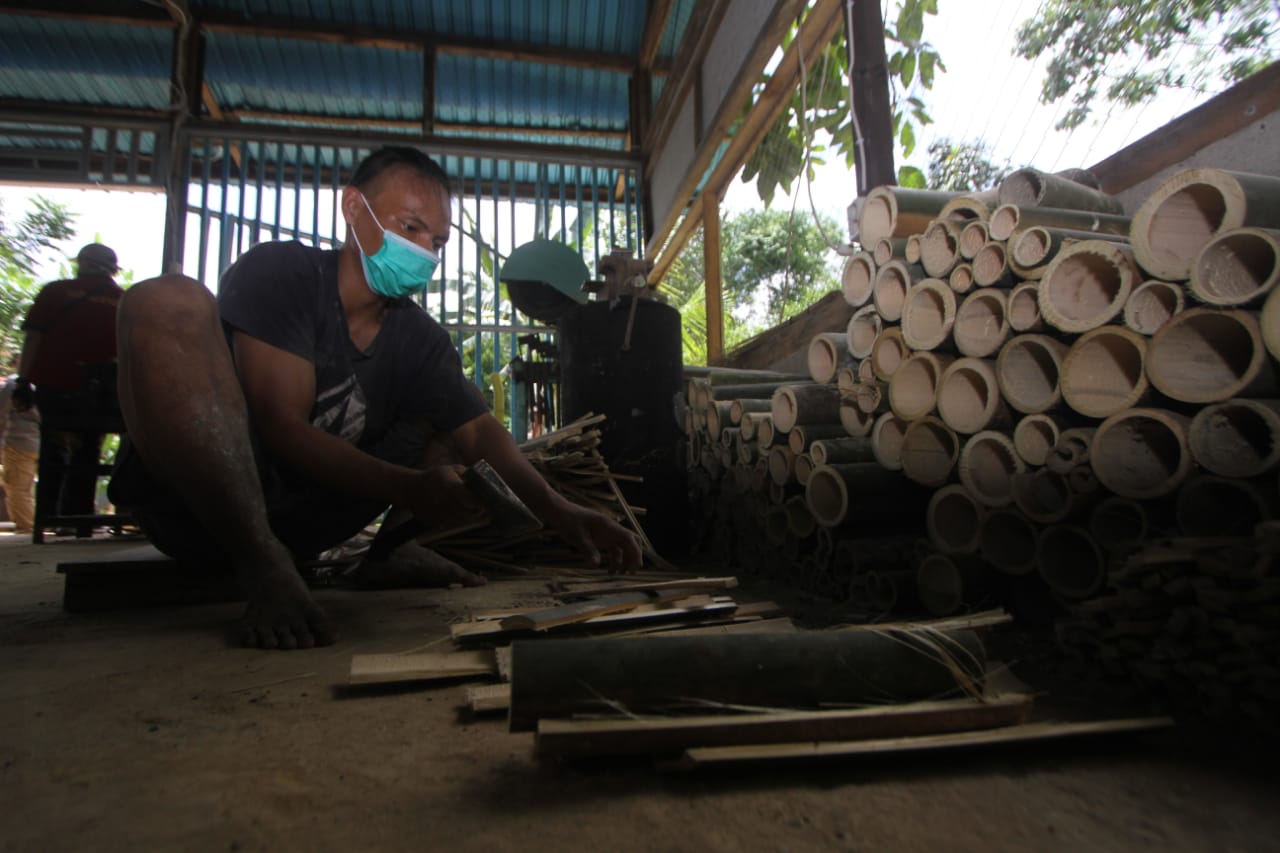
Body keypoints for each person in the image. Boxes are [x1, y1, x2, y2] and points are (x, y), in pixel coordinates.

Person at [108, 145, 642, 650]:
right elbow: (281, 425)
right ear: (353, 208)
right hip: (199, 513)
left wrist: (561, 510)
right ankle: (261, 564)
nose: (422, 251)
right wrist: (409, 488)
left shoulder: (421, 340)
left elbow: (478, 432)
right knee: (165, 300)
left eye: (436, 242)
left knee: (453, 416)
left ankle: (390, 554)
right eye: (410, 228)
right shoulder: (283, 275)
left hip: (303, 528)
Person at [16, 243, 124, 532]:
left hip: (55, 384)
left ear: (82, 264)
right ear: (113, 270)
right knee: (89, 452)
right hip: (102, 392)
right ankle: (81, 521)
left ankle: (50, 518)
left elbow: (33, 339)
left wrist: (23, 381)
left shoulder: (54, 292)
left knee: (54, 451)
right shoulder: (123, 301)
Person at [0, 369, 40, 533]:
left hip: (18, 442)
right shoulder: (49, 382)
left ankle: (27, 526)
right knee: (27, 485)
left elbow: (1, 414)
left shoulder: (14, 384)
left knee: (18, 488)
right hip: (42, 440)